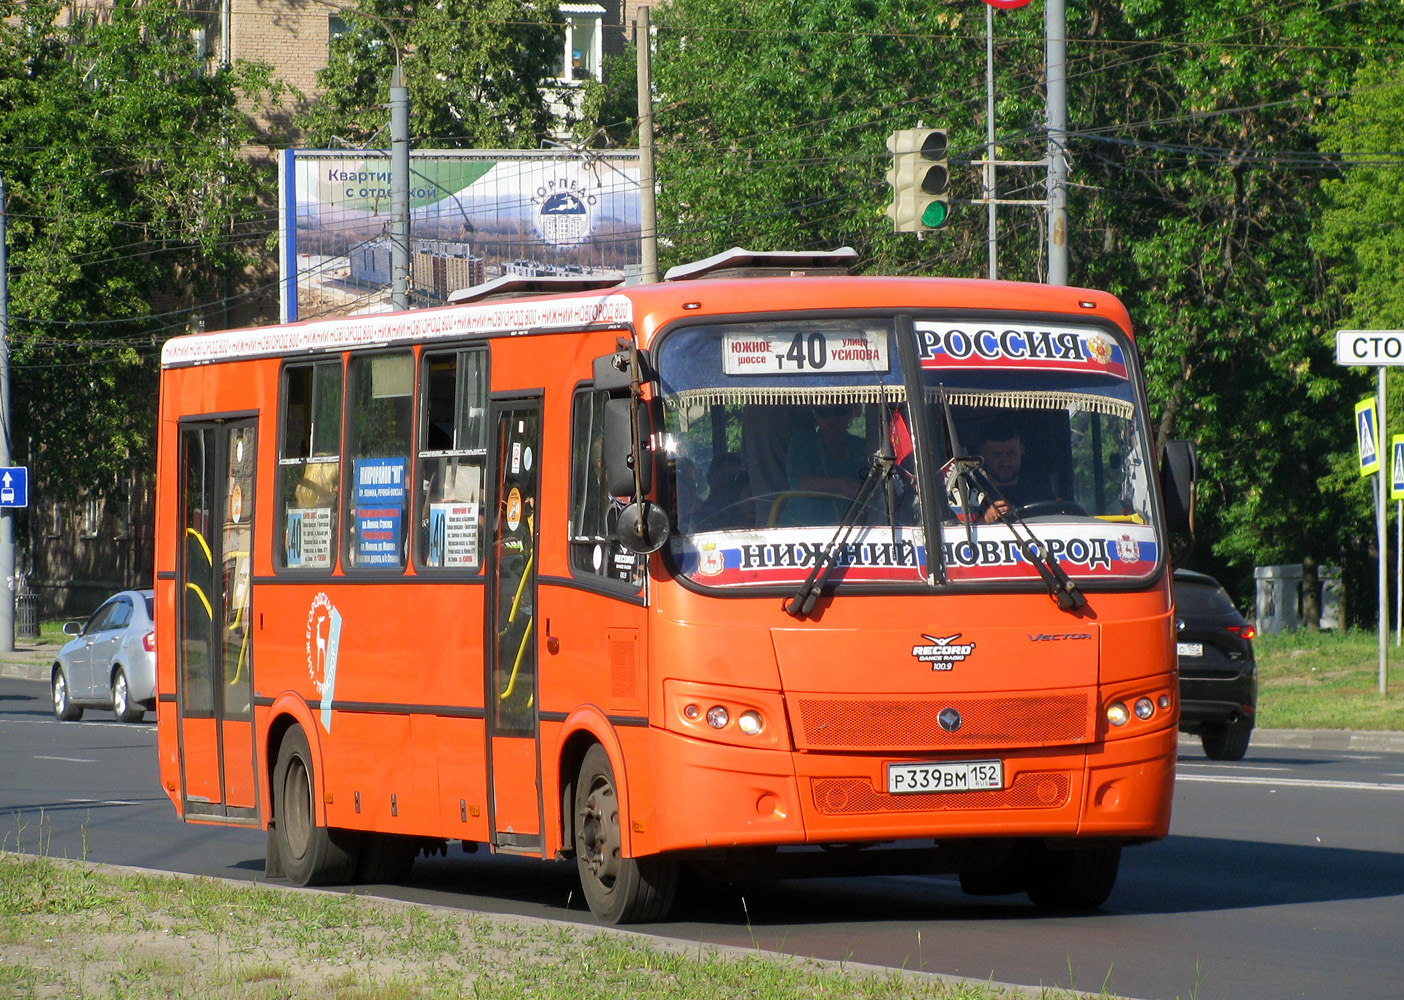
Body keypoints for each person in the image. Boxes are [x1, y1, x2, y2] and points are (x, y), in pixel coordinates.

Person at [783, 403, 870, 523]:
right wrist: (840, 484)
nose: (832, 419)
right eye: (824, 413)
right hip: (799, 529)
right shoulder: (802, 443)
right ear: (816, 415)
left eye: (840, 411)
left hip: (855, 533)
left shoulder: (862, 447)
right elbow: (798, 482)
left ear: (851, 413)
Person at [977, 421, 1053, 522]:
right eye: (997, 454)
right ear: (983, 455)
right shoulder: (972, 497)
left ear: (1021, 450)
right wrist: (984, 519)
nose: (1005, 461)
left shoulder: (1041, 495)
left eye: (1011, 453)